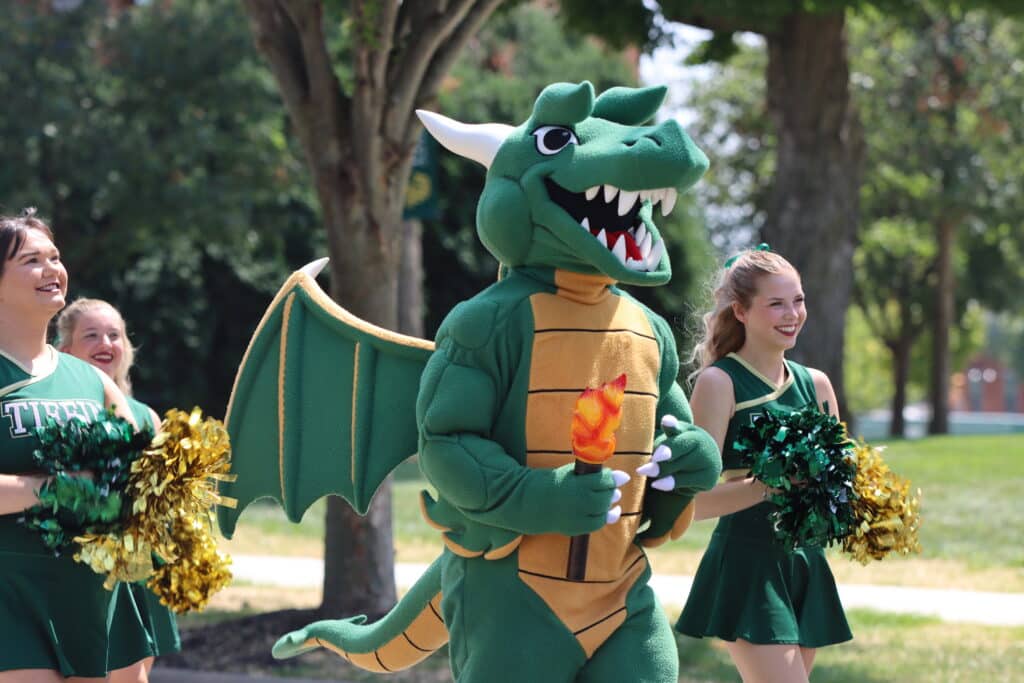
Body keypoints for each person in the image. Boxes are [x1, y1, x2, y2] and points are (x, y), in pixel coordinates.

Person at [675, 246, 852, 683]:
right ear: (741, 310)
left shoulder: (818, 384)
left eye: (799, 300)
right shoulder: (720, 383)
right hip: (748, 564)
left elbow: (836, 483)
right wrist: (771, 485)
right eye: (776, 303)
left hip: (804, 562)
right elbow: (691, 503)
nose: (793, 313)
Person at [0, 209, 143, 682]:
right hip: (8, 589)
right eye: (31, 259)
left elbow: (139, 470)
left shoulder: (92, 380)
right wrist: (55, 490)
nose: (52, 269)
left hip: (88, 588)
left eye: (55, 257)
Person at [57, 298, 181, 682]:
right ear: (65, 351)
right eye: (91, 335)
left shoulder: (147, 416)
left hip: (141, 568)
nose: (105, 343)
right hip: (82, 570)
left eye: (115, 335)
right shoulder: (60, 412)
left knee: (136, 674)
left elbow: (162, 501)